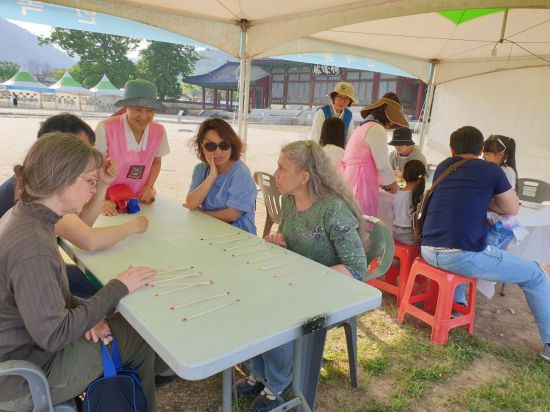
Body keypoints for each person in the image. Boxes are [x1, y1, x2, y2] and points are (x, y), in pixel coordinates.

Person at [0, 132, 167, 411]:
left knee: (117, 327)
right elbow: (54, 335)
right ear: (62, 179)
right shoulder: (34, 246)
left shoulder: (25, 216)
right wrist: (117, 288)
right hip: (23, 377)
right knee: (137, 339)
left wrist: (88, 316)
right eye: (90, 181)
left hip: (21, 352)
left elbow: (46, 301)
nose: (93, 189)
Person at [236, 140, 368, 411]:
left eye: (282, 168)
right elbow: (290, 237)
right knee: (252, 298)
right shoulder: (288, 200)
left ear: (304, 177)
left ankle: (277, 383)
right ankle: (259, 373)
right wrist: (279, 240)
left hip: (326, 287)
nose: (276, 174)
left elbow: (356, 268)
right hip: (295, 280)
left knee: (277, 313)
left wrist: (310, 278)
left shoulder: (333, 209)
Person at [420, 126, 550, 361]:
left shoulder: (444, 166)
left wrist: (484, 200)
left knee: (471, 244)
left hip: (428, 249)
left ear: (452, 149)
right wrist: (490, 202)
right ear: (481, 150)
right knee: (536, 275)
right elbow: (512, 209)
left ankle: (457, 302)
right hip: (460, 255)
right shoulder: (491, 170)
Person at [0, 113, 149, 298]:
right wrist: (135, 226)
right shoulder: (42, 192)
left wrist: (102, 183)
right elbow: (89, 240)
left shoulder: (37, 177)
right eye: (78, 152)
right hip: (17, 288)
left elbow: (82, 224)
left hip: (22, 276)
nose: (87, 160)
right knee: (108, 292)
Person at [95, 79, 170, 215]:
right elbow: (93, 166)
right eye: (138, 109)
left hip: (139, 196)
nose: (143, 116)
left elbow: (156, 162)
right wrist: (101, 200)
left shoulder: (159, 130)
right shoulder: (106, 127)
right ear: (126, 107)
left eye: (150, 110)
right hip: (107, 195)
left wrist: (149, 187)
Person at [341, 93, 409, 217]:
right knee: (362, 222)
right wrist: (393, 187)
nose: (391, 125)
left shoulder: (362, 127)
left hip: (349, 182)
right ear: (387, 116)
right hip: (361, 185)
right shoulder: (376, 128)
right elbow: (383, 166)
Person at [186, 118, 257, 234]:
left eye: (224, 145)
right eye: (210, 146)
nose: (218, 152)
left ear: (232, 145)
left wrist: (202, 214)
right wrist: (211, 177)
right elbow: (191, 204)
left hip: (239, 234)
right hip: (209, 230)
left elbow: (232, 215)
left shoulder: (240, 172)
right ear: (201, 147)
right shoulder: (201, 169)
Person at [391, 160, 426, 245]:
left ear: (404, 175)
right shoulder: (419, 196)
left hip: (394, 233)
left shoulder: (396, 193)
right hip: (410, 236)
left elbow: (390, 214)